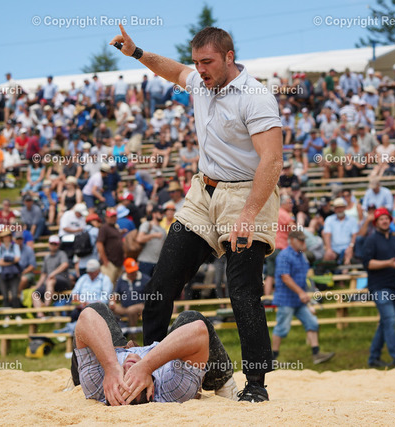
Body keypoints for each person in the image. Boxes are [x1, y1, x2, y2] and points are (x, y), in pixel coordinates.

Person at [111, 25, 281, 402]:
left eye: (208, 62)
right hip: (203, 192)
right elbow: (172, 71)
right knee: (161, 284)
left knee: (243, 291)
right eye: (197, 62)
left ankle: (255, 385)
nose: (200, 69)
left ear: (229, 58)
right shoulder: (201, 83)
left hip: (247, 193)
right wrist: (137, 53)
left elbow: (272, 159)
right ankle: (151, 370)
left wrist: (250, 213)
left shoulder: (255, 97)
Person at [72, 302, 238, 404]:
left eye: (123, 378)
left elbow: (87, 317)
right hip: (164, 356)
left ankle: (75, 381)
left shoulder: (98, 385)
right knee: (190, 317)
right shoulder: (171, 389)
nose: (129, 369)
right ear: (151, 392)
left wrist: (110, 366)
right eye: (132, 380)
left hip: (115, 352)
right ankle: (223, 382)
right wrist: (145, 366)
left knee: (96, 309)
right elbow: (198, 330)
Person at [361, 207, 395, 370]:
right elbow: (368, 264)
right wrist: (388, 263)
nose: (384, 221)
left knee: (385, 323)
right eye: (381, 219)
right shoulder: (371, 240)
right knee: (389, 320)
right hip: (379, 287)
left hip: (394, 286)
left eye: (387, 219)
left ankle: (374, 358)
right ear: (376, 222)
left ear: (390, 221)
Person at [271, 231, 335, 364]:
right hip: (286, 299)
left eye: (304, 240)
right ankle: (272, 358)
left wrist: (306, 293)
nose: (303, 243)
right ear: (292, 240)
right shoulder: (284, 256)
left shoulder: (302, 256)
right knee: (282, 328)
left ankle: (316, 354)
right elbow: (285, 277)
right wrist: (301, 293)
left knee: (312, 323)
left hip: (299, 300)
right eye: (300, 240)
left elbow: (304, 277)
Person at [32, 234, 71, 316]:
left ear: (58, 245)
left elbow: (65, 264)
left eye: (55, 244)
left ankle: (46, 306)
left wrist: (53, 273)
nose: (53, 245)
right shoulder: (47, 257)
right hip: (50, 284)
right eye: (51, 243)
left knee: (50, 281)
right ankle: (41, 315)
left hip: (63, 282)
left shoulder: (61, 254)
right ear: (49, 244)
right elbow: (43, 274)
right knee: (35, 294)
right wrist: (37, 286)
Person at [109, 258, 150, 328]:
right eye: (131, 271)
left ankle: (132, 336)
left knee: (131, 310)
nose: (133, 273)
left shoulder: (145, 279)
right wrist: (112, 302)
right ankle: (117, 333)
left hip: (140, 306)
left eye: (134, 270)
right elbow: (115, 294)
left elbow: (151, 294)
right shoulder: (121, 279)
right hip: (124, 308)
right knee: (110, 309)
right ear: (126, 270)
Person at [0, 229, 21, 308]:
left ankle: (17, 314)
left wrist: (4, 260)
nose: (6, 238)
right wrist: (11, 260)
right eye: (4, 236)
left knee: (14, 294)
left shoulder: (15, 246)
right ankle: (7, 316)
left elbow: (17, 259)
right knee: (5, 295)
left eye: (8, 236)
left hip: (14, 273)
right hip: (1, 273)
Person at [96, 208, 125, 283]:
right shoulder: (104, 228)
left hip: (118, 263)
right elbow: (99, 244)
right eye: (111, 216)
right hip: (109, 262)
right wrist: (105, 260)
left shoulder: (115, 228)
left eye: (114, 216)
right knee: (108, 286)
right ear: (106, 218)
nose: (113, 218)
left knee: (116, 288)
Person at [136, 208, 166, 278]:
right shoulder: (147, 224)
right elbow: (139, 239)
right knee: (144, 286)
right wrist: (153, 235)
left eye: (162, 213)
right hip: (145, 261)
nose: (162, 215)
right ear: (154, 214)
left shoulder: (163, 230)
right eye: (160, 212)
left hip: (157, 263)